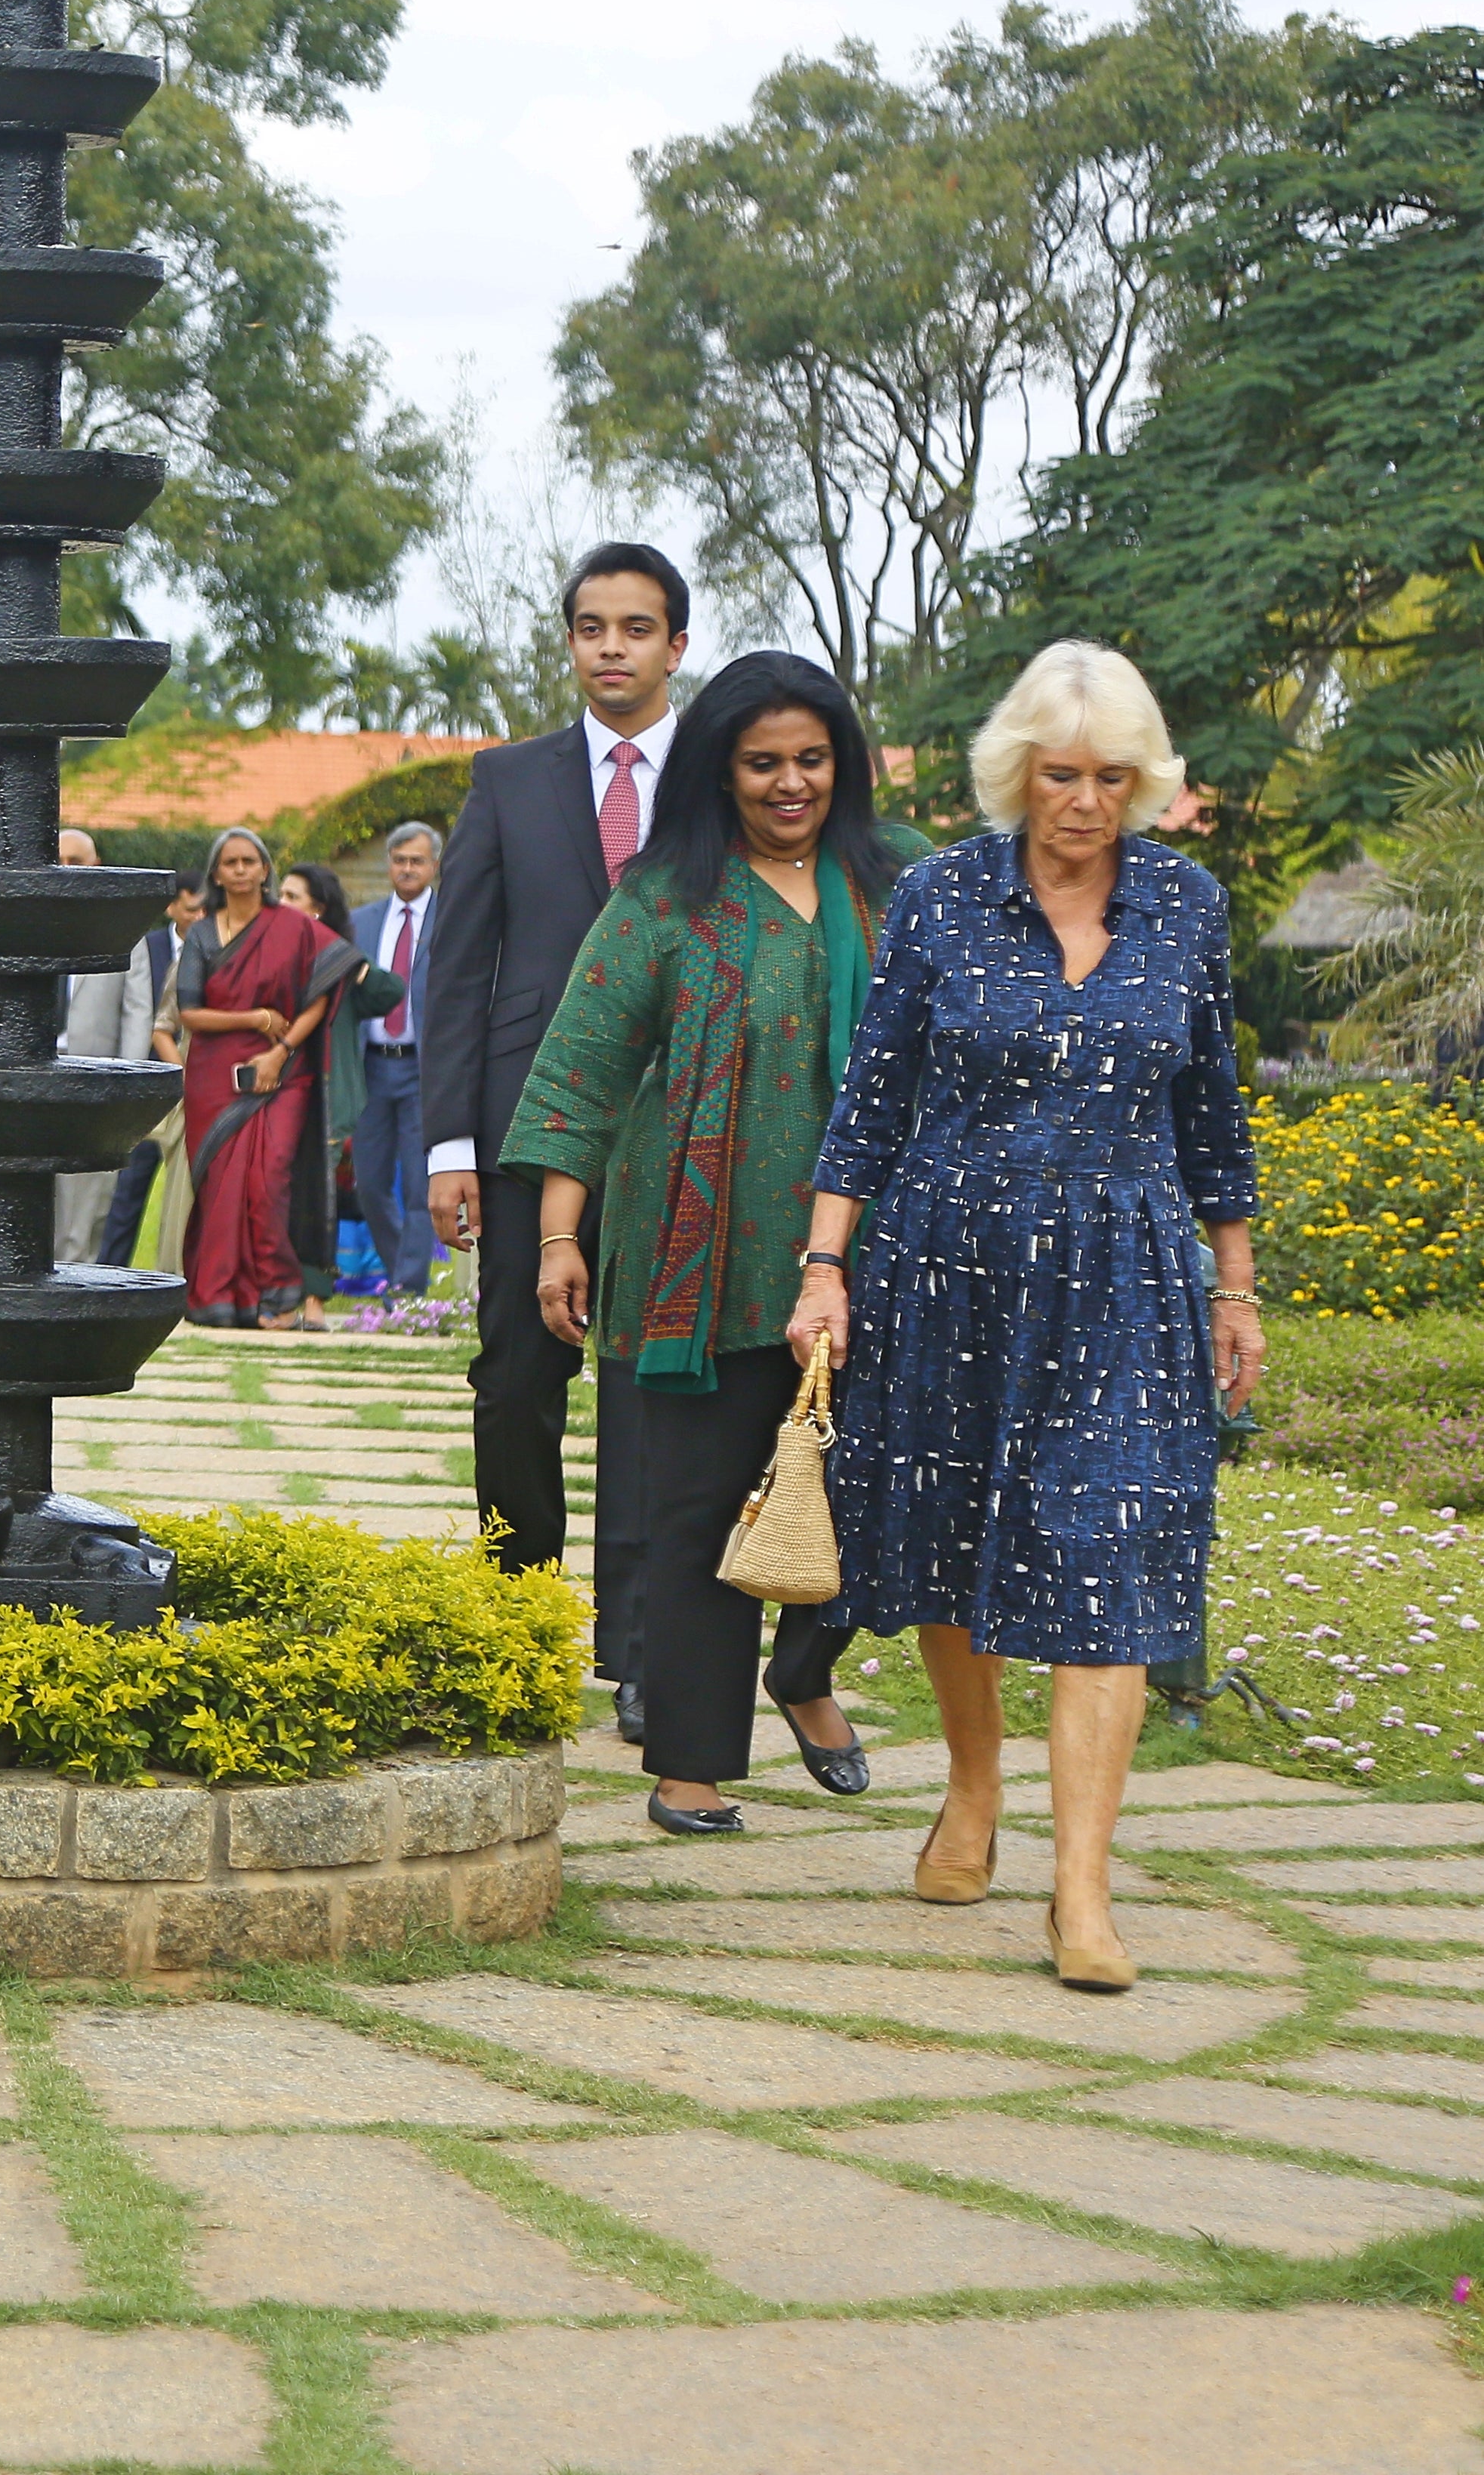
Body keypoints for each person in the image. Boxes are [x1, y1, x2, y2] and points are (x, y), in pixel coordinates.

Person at [791, 642, 1263, 1990]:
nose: (1084, 802)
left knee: (1106, 1557)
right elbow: (871, 1099)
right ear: (1018, 773)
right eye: (1061, 775)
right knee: (950, 1539)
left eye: (1113, 777)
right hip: (947, 1266)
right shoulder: (940, 897)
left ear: (1144, 781)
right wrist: (825, 1269)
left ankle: (1081, 1894)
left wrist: (1235, 1287)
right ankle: (975, 1791)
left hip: (1125, 1275)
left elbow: (1212, 1114)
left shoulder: (1185, 907)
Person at [505, 653, 925, 1833]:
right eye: (762, 763)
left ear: (842, 762)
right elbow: (579, 1076)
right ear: (720, 770)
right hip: (701, 1262)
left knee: (876, 1490)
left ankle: (803, 1668)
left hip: (875, 1259)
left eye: (810, 758)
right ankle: (690, 1763)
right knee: (694, 1511)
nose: (790, 783)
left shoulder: (894, 894)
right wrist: (557, 1240)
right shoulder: (666, 899)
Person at [423, 541, 686, 1730]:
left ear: (677, 644)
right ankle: (514, 1620)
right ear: (571, 643)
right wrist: (449, 1146)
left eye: (636, 628)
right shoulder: (509, 781)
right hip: (529, 1126)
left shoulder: (717, 785)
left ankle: (636, 1650)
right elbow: (455, 969)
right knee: (518, 1376)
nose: (612, 649)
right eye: (592, 629)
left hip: (683, 1128)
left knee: (647, 1388)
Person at [175, 828, 371, 1329]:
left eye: (250, 861)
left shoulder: (294, 928)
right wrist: (257, 1019)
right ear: (216, 873)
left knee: (268, 1180)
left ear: (265, 870)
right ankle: (221, 1298)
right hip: (214, 1080)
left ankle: (277, 1296)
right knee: (221, 1187)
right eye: (230, 862)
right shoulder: (200, 934)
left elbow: (323, 992)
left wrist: (279, 1051)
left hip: (286, 1075)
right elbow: (191, 1014)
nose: (240, 870)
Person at [278, 862, 406, 1319]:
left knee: (317, 1198)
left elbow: (390, 993)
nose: (282, 903)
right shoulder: (270, 952)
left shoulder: (339, 959)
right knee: (277, 1196)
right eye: (282, 894)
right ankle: (278, 1296)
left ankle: (312, 1299)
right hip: (275, 1091)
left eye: (293, 897)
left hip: (330, 1097)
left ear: (319, 909)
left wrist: (347, 961)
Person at [348, 822, 443, 1297]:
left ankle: (407, 1289)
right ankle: (399, 1271)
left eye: (417, 860)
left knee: (422, 1186)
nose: (407, 868)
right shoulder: (360, 921)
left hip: (424, 1069)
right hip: (371, 1067)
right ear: (389, 863)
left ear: (434, 866)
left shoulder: (453, 919)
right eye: (399, 859)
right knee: (370, 1182)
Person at [54, 827, 156, 1264]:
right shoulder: (20, 924)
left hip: (92, 1079)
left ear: (96, 867)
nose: (65, 870)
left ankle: (72, 1292)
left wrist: (125, 1083)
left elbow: (138, 1012)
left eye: (76, 862)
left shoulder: (122, 930)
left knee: (84, 1202)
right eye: (58, 860)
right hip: (28, 1074)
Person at [97, 869, 199, 1269]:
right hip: (147, 1088)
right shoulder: (146, 948)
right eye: (192, 909)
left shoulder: (218, 948)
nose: (199, 917)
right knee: (129, 1189)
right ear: (173, 908)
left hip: (194, 1090)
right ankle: (111, 1269)